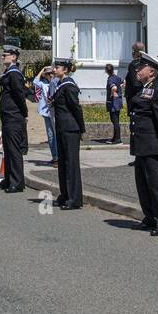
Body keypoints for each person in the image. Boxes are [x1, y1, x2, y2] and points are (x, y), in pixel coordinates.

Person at [129, 51, 158, 235]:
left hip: (153, 146)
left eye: (142, 67)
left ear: (152, 72)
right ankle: (150, 217)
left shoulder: (157, 90)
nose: (138, 70)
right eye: (138, 67)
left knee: (157, 184)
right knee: (143, 184)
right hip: (141, 145)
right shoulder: (144, 89)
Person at [52, 58, 85, 209]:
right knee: (63, 163)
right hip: (62, 128)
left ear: (65, 70)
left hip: (71, 129)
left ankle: (74, 198)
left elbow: (76, 108)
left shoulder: (69, 86)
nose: (54, 69)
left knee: (71, 163)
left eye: (57, 67)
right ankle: (65, 195)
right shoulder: (60, 85)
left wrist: (81, 128)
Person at [0, 44, 29, 192]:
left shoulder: (15, 73)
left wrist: (23, 113)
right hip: (7, 116)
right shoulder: (8, 72)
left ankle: (17, 182)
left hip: (14, 116)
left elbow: (19, 95)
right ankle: (9, 179)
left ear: (14, 57)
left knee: (14, 150)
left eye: (6, 55)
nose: (3, 56)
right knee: (8, 149)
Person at [35, 66, 58, 166]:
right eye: (48, 74)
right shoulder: (43, 84)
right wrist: (42, 70)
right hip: (46, 112)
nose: (50, 75)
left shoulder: (57, 83)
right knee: (50, 135)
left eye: (51, 73)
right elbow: (35, 81)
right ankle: (55, 157)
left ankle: (59, 157)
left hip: (55, 112)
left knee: (56, 134)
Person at [104, 63, 123, 144]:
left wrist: (113, 92)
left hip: (113, 103)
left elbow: (114, 87)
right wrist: (121, 88)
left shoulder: (110, 79)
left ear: (106, 71)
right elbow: (124, 82)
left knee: (114, 121)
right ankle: (115, 138)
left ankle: (118, 139)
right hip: (118, 102)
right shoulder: (117, 77)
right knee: (116, 121)